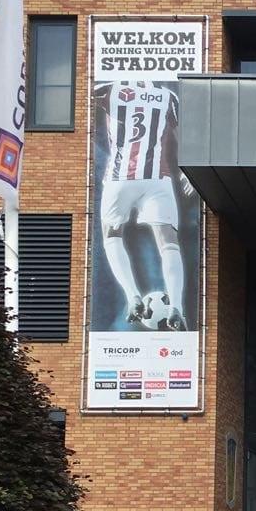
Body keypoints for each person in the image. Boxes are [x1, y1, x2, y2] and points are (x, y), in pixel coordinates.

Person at [94, 79, 192, 330]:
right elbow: (182, 138)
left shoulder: (109, 89)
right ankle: (176, 308)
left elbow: (87, 92)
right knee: (168, 240)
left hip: (119, 177)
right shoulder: (167, 96)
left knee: (111, 233)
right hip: (157, 178)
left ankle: (132, 295)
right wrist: (189, 171)